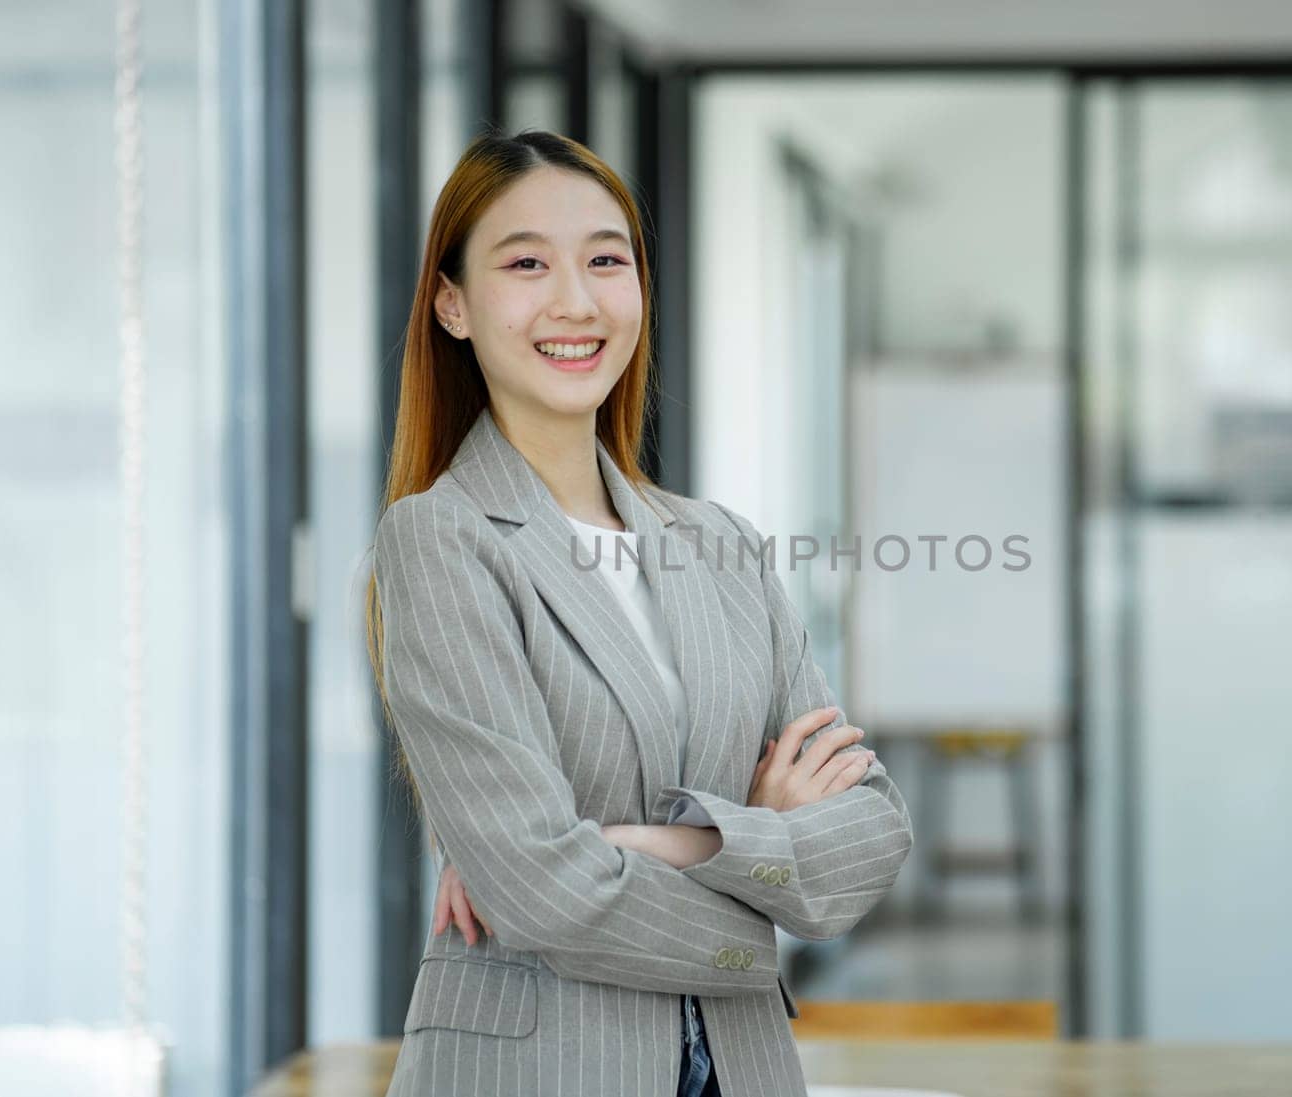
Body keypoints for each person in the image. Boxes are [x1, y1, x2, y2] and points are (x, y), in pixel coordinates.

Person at [365, 128, 914, 1097]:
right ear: (452, 304)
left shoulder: (721, 543)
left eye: (606, 260)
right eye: (526, 262)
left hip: (744, 1070)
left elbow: (872, 831)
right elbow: (540, 886)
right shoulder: (443, 538)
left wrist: (657, 841)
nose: (575, 300)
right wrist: (763, 874)